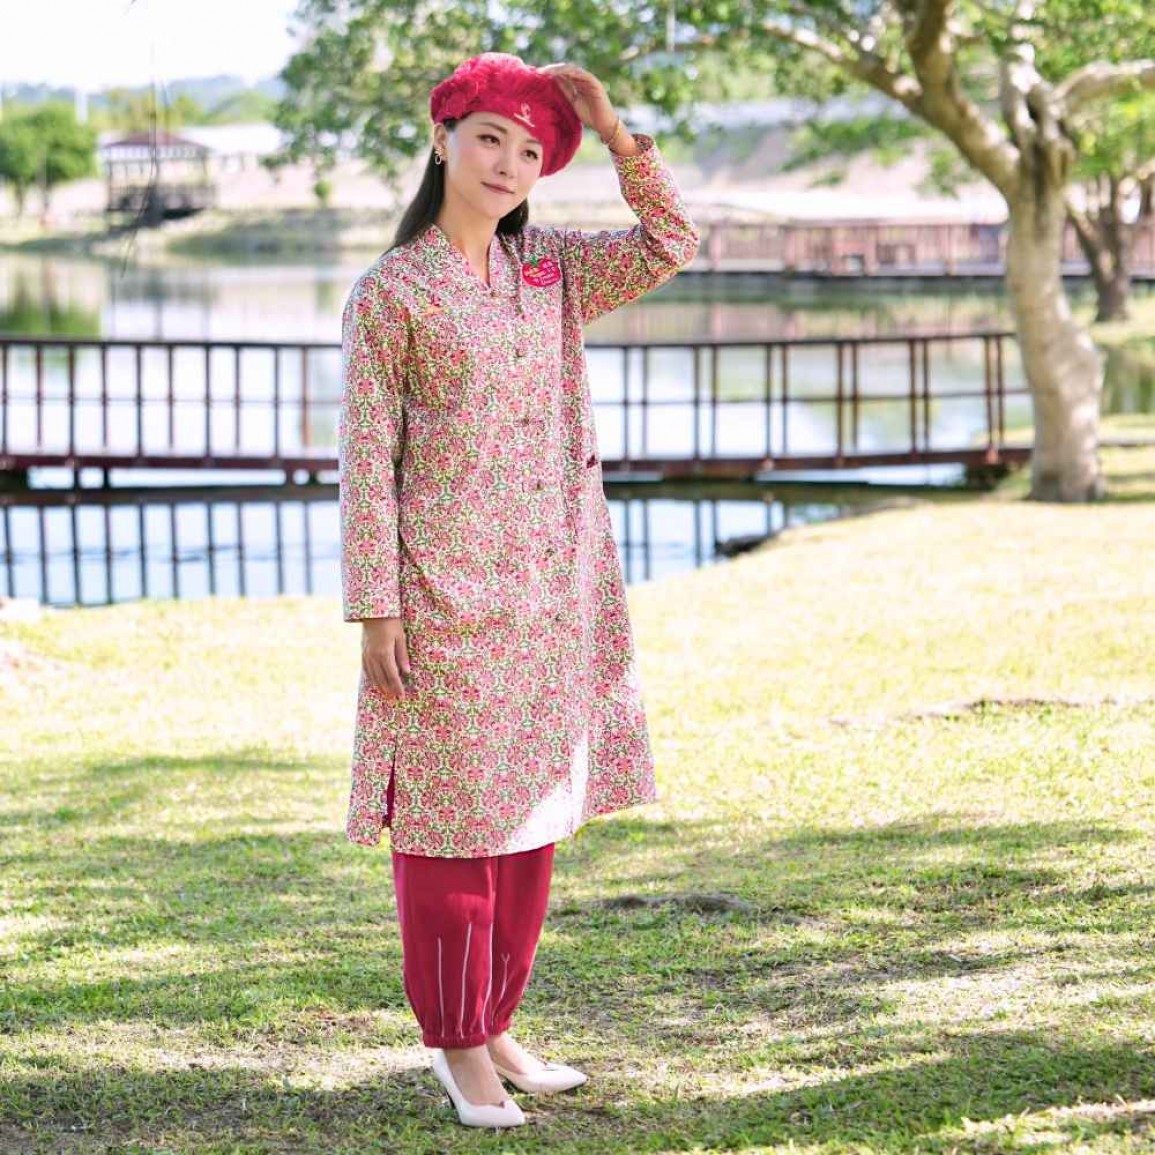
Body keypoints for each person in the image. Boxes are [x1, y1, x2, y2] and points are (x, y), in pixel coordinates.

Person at [337, 51, 699, 1129]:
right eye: (490, 138)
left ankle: (495, 1021)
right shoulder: (392, 292)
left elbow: (672, 241)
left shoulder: (551, 272)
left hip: (553, 592)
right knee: (450, 821)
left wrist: (616, 136)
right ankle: (455, 1042)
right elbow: (366, 460)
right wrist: (376, 607)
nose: (507, 164)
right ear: (442, 138)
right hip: (439, 596)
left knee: (529, 816)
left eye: (532, 151)